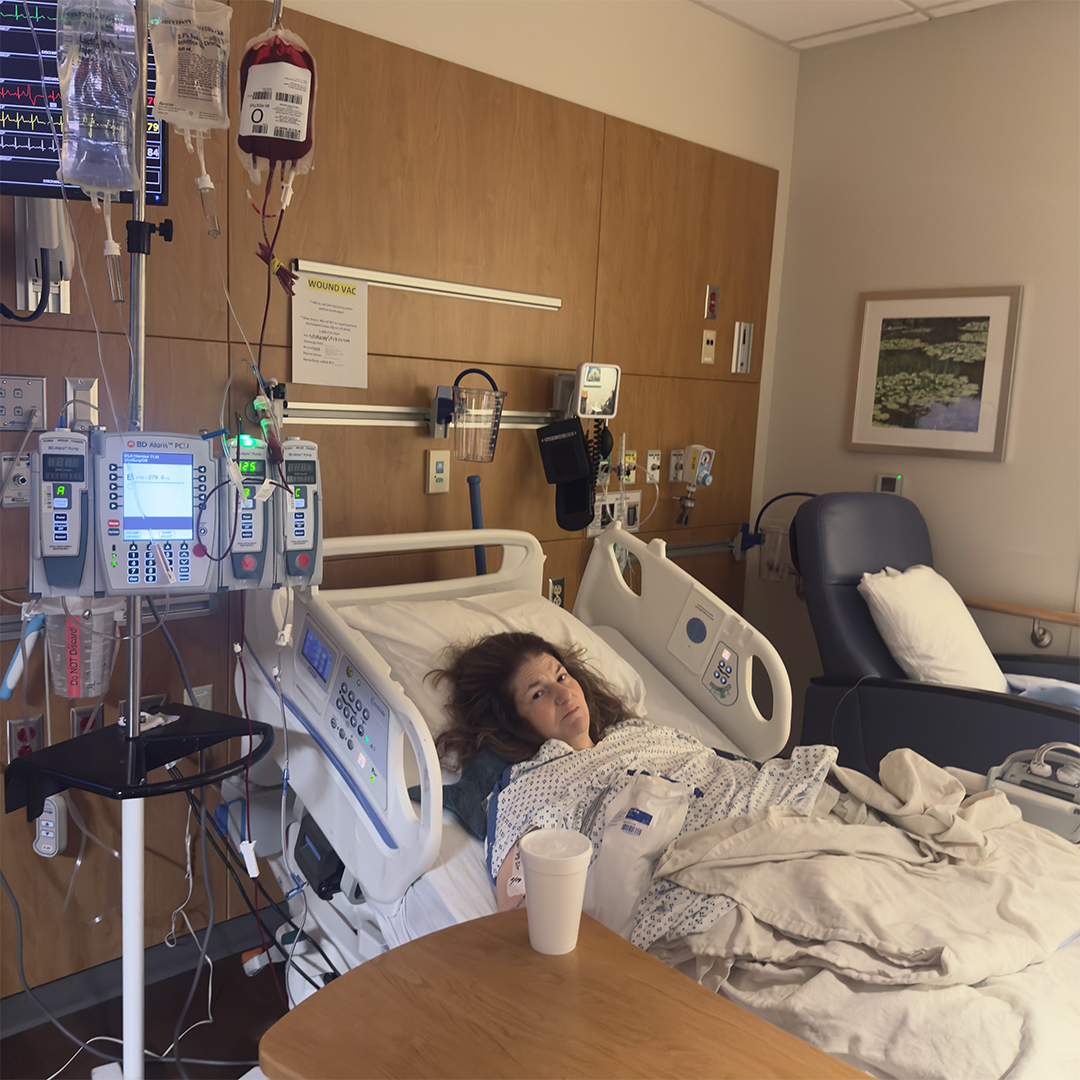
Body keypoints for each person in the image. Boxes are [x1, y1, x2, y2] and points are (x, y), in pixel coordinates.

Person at [432, 631, 835, 919]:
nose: (563, 694)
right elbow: (521, 911)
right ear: (510, 720)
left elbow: (716, 769)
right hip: (705, 877)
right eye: (537, 694)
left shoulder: (637, 733)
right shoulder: (529, 785)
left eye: (561, 676)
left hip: (774, 823)